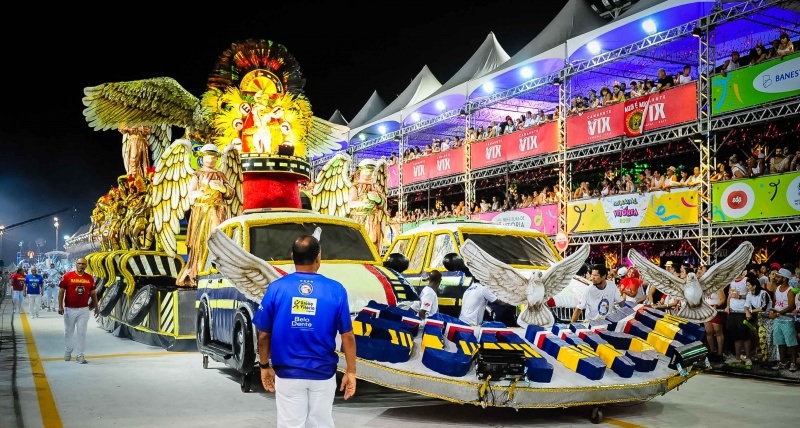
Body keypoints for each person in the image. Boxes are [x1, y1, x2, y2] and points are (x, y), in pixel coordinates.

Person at [253, 235, 357, 427]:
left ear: (292, 255)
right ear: (319, 257)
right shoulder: (336, 290)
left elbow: (264, 335)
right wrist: (351, 372)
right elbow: (347, 336)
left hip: (288, 375)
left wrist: (264, 366)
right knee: (321, 423)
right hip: (323, 375)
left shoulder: (276, 289)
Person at [176, 144, 236, 286]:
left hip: (217, 211)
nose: (211, 160)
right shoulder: (197, 175)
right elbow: (190, 192)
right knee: (200, 241)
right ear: (202, 158)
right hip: (202, 213)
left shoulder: (220, 175)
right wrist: (200, 193)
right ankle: (197, 271)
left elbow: (231, 193)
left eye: (214, 157)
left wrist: (222, 188)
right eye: (208, 157)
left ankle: (215, 270)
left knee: (217, 239)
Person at [58, 258, 100, 364]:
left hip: (83, 310)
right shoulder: (67, 276)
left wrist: (96, 307)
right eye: (79, 263)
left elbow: (93, 294)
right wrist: (60, 306)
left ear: (86, 266)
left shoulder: (89, 278)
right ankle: (68, 350)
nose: (81, 265)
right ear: (76, 265)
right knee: (68, 333)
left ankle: (80, 355)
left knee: (82, 332)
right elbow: (61, 291)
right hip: (69, 309)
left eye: (83, 264)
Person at [770, 268, 797, 371]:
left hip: (787, 320)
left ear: (784, 278)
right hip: (778, 319)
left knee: (791, 342)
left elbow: (791, 306)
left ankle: (793, 362)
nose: (776, 278)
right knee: (780, 342)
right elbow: (776, 302)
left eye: (778, 276)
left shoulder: (790, 290)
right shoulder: (777, 288)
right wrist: (774, 311)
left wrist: (778, 313)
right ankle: (782, 362)